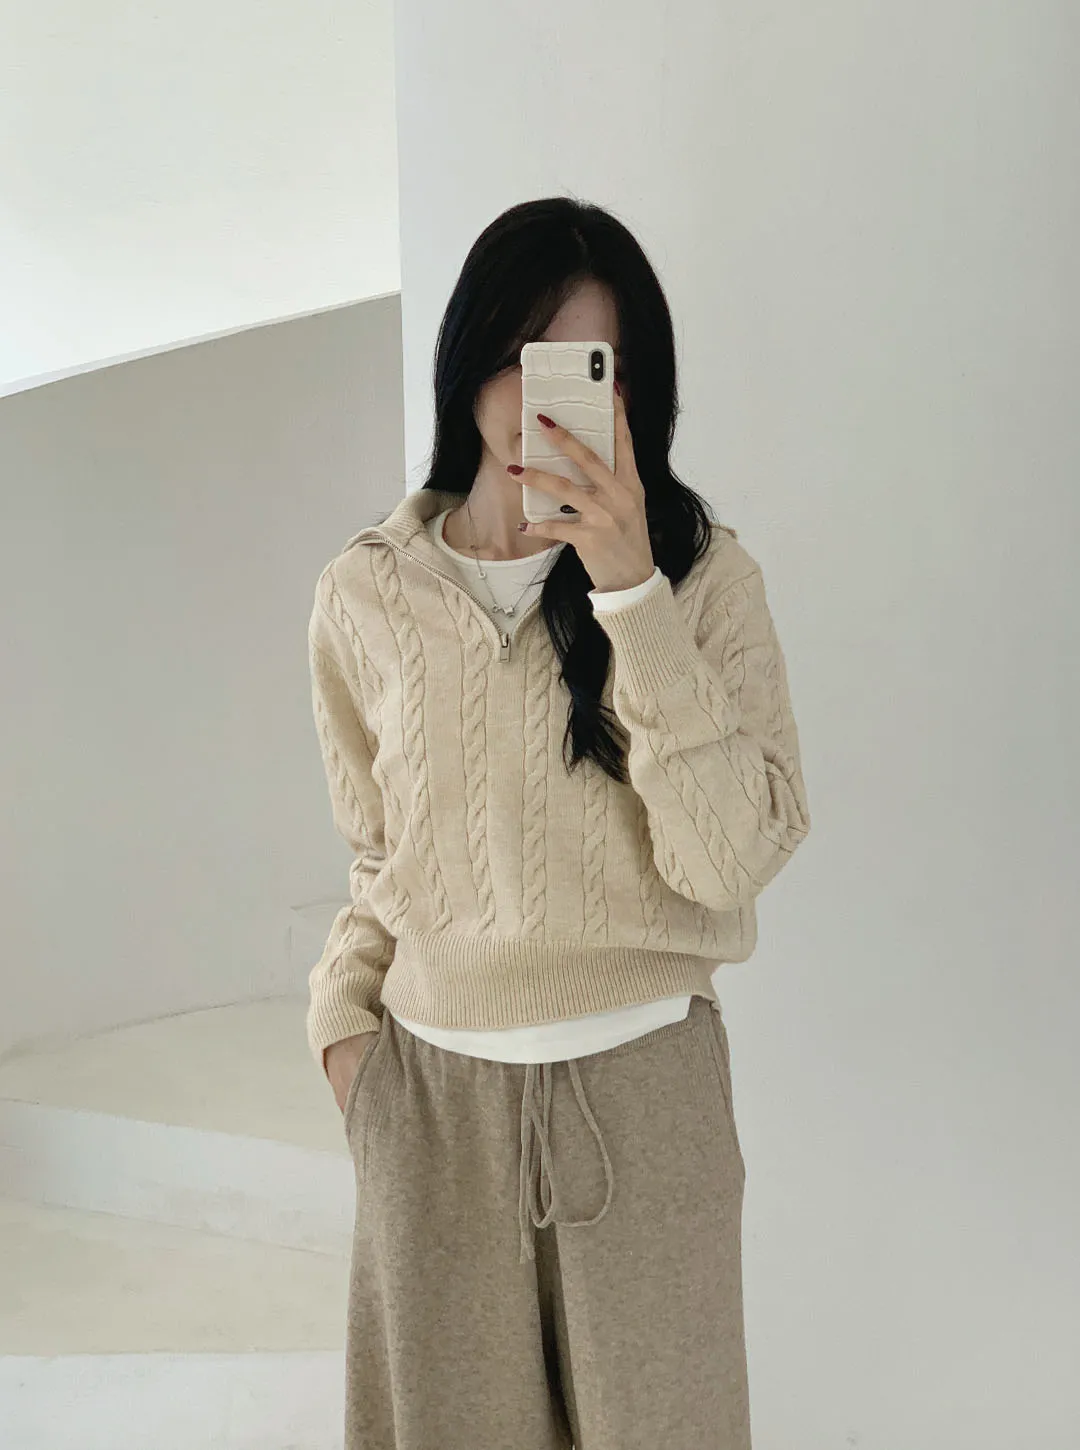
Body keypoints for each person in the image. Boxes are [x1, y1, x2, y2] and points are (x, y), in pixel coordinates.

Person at [305, 196, 811, 1450]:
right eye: (535, 355)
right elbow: (379, 853)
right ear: (473, 359)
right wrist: (344, 1035)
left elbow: (731, 858)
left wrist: (633, 589)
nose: (562, 399)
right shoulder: (367, 590)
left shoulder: (706, 581)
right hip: (430, 1105)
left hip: (645, 1096)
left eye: (603, 370)